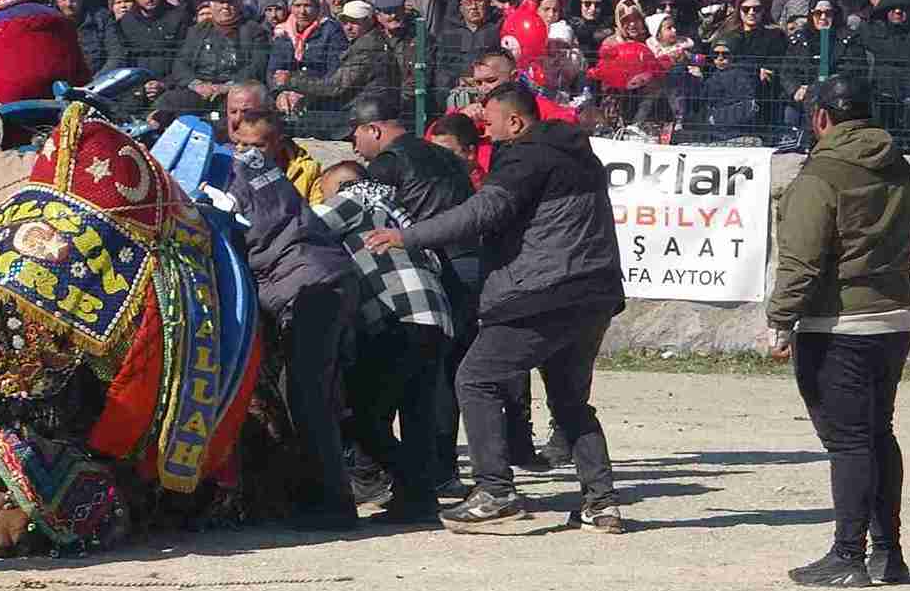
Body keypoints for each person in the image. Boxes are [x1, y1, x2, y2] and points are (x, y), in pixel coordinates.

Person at [372, 84, 626, 534]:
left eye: (488, 118)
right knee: (570, 400)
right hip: (596, 291)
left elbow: (484, 212)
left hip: (545, 289)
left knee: (476, 377)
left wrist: (406, 236)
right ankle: (601, 503)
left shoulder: (526, 155)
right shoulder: (576, 152)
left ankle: (495, 491)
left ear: (515, 121)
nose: (482, 127)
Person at [769, 76, 910, 587]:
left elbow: (802, 258)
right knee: (879, 433)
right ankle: (888, 553)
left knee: (849, 441)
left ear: (820, 118)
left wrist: (780, 319)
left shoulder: (821, 175)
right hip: (894, 315)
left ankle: (846, 556)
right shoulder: (897, 164)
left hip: (838, 321)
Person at [225, 108, 359, 530]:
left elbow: (245, 230)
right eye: (241, 144)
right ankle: (314, 495)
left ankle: (335, 506)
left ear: (279, 146)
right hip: (320, 286)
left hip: (311, 292)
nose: (246, 153)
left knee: (308, 399)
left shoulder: (255, 181)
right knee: (305, 395)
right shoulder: (271, 180)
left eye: (257, 146)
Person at [310, 160, 454, 526]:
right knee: (416, 413)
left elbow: (304, 227)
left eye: (323, 192)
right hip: (435, 317)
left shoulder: (356, 198)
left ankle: (414, 484)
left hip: (399, 315)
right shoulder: (398, 212)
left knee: (361, 415)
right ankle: (418, 503)